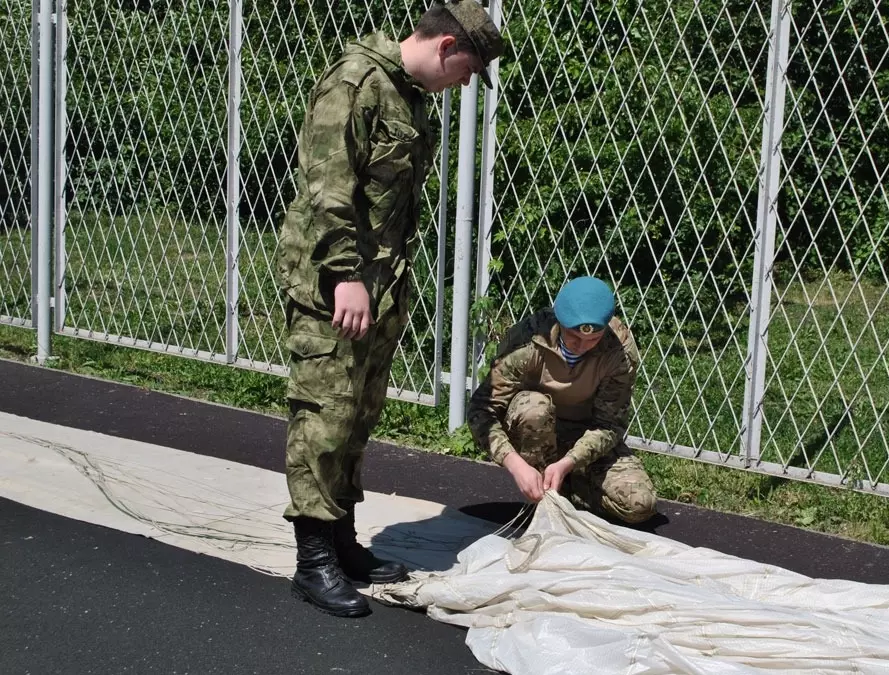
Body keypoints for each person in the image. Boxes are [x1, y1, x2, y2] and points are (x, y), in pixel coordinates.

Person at [274, 1, 504, 618]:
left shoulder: (408, 96)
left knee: (357, 415)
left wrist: (379, 283)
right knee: (324, 414)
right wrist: (346, 276)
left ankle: (343, 542)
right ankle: (312, 560)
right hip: (336, 284)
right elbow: (326, 187)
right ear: (448, 46)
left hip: (380, 285)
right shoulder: (355, 83)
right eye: (468, 70)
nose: (464, 84)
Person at [467, 276, 658, 525]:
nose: (582, 346)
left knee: (640, 504)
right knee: (533, 408)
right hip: (535, 430)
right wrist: (514, 464)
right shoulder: (529, 339)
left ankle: (569, 486)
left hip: (586, 438)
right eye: (574, 337)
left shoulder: (617, 350)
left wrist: (570, 462)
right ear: (559, 321)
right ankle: (542, 493)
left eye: (593, 339)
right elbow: (481, 409)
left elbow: (609, 424)